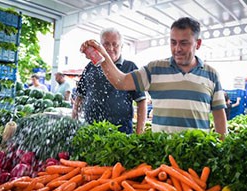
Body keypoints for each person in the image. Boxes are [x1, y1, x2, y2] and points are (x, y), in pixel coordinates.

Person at [80, 17, 227, 139]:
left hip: (197, 154)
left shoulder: (211, 74)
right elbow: (121, 82)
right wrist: (101, 55)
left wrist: (221, 146)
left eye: (184, 43)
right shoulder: (155, 69)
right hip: (161, 155)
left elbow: (219, 116)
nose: (177, 49)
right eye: (173, 42)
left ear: (198, 44)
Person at [72, 27, 147, 134]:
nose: (110, 48)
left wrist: (139, 133)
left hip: (120, 135)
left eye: (115, 44)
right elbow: (80, 97)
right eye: (106, 44)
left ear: (121, 47)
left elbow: (141, 101)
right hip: (90, 131)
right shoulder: (90, 66)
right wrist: (74, 123)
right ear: (100, 46)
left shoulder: (130, 67)